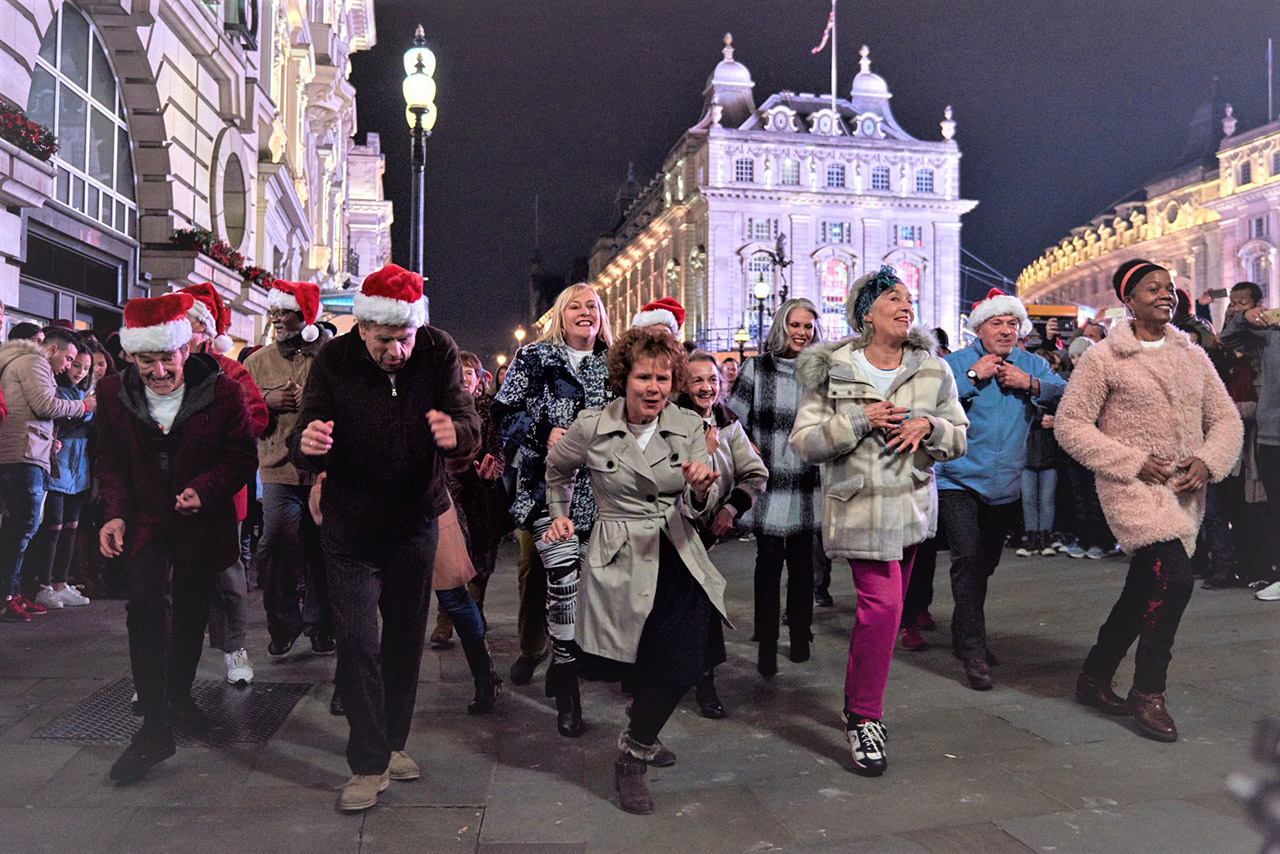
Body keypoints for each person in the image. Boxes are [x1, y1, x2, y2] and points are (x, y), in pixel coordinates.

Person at [289, 263, 480, 812]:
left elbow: (466, 419)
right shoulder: (334, 358)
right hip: (350, 522)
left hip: (414, 521)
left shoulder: (438, 348)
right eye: (384, 339)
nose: (396, 351)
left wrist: (457, 434)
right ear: (364, 328)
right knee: (356, 640)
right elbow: (308, 427)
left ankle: (393, 742)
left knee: (402, 639)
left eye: (405, 338)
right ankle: (367, 763)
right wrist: (311, 443)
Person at [791, 267, 968, 776]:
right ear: (866, 311)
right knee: (884, 607)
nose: (906, 304)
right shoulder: (835, 369)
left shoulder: (933, 369)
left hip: (912, 509)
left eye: (909, 297)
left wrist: (928, 425)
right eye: (894, 297)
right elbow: (804, 442)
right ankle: (865, 717)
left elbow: (958, 435)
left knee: (889, 618)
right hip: (860, 508)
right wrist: (860, 420)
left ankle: (855, 697)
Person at [1057, 259, 1242, 742]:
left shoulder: (1192, 355)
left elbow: (1225, 421)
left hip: (1184, 490)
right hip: (1132, 487)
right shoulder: (1104, 357)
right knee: (1176, 581)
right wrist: (1131, 460)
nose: (1167, 294)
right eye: (1153, 288)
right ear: (1129, 298)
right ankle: (1148, 691)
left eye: (1170, 288)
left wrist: (1207, 459)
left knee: (1144, 588)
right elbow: (1072, 423)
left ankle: (1094, 676)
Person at [542, 325, 724, 814]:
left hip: (677, 550)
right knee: (643, 659)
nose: (654, 388)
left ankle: (632, 753)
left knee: (685, 659)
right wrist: (561, 513)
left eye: (664, 378)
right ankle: (644, 727)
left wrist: (703, 487)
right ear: (623, 376)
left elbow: (700, 502)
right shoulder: (591, 425)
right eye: (644, 376)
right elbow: (556, 470)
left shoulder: (687, 425)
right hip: (619, 554)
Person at [96, 293, 257, 784]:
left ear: (186, 351)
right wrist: (116, 515)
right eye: (148, 360)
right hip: (147, 516)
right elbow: (111, 463)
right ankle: (154, 726)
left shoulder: (223, 391)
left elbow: (241, 458)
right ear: (130, 356)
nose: (160, 371)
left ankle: (180, 695)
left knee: (191, 606)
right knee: (144, 605)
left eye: (168, 358)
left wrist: (204, 491)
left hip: (200, 517)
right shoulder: (111, 393)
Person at [491, 283, 614, 737]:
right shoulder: (535, 359)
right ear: (560, 317)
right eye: (575, 307)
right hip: (548, 490)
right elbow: (504, 411)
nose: (586, 312)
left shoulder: (613, 364)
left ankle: (564, 664)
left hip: (604, 496)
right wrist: (541, 432)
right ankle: (568, 689)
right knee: (562, 579)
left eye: (593, 307)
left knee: (584, 589)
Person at [937, 288, 1066, 690]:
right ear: (980, 328)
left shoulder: (1032, 364)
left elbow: (1067, 393)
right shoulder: (955, 363)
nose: (1007, 331)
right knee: (969, 557)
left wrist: (1031, 384)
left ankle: (963, 632)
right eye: (998, 323)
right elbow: (932, 401)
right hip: (956, 478)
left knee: (985, 564)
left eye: (1013, 323)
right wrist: (977, 376)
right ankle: (974, 649)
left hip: (1005, 484)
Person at [727, 298, 824, 676]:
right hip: (766, 481)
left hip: (804, 480)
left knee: (803, 567)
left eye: (808, 327)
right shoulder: (756, 367)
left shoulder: (819, 372)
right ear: (781, 326)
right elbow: (733, 421)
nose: (801, 333)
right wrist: (746, 456)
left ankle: (800, 634)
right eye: (795, 325)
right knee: (767, 565)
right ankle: (766, 644)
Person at [179, 283, 269, 685]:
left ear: (207, 332)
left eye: (193, 326)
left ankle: (234, 648)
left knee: (228, 573)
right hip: (171, 493)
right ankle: (167, 668)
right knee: (169, 579)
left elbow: (256, 419)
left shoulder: (229, 371)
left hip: (221, 492)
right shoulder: (163, 371)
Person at [245, 280, 335, 659]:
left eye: (282, 312)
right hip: (277, 468)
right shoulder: (257, 361)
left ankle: (321, 626)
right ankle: (282, 626)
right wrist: (267, 401)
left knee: (323, 550)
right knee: (277, 544)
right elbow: (243, 415)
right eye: (274, 313)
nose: (276, 319)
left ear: (305, 315)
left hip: (323, 471)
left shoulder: (332, 357)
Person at [676, 350, 768, 718]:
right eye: (697, 379)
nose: (706, 387)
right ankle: (681, 676)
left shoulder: (728, 423)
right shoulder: (671, 421)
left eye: (712, 380)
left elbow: (755, 473)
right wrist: (702, 450)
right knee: (694, 601)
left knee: (699, 602)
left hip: (707, 530)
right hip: (673, 527)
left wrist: (731, 509)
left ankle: (704, 678)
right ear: (683, 383)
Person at [0, 326, 95, 622]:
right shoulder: (35, 362)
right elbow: (44, 405)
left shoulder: (24, 362)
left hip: (26, 451)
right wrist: (82, 406)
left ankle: (13, 592)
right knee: (22, 527)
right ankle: (7, 596)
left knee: (23, 527)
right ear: (52, 350)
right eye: (68, 359)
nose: (69, 367)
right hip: (23, 453)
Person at [1221, 281, 1280, 601]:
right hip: (1271, 435)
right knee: (1274, 509)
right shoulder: (1271, 335)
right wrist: (1247, 317)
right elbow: (1228, 338)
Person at [24, 347, 95, 610]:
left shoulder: (81, 393)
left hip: (79, 466)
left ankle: (60, 583)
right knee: (52, 527)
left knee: (71, 527)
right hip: (57, 464)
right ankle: (43, 584)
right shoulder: (54, 389)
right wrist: (86, 409)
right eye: (76, 364)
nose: (79, 372)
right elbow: (59, 421)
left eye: (85, 368)